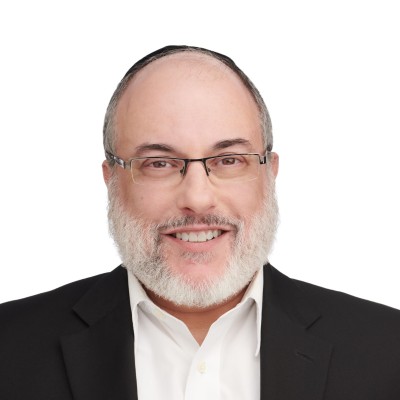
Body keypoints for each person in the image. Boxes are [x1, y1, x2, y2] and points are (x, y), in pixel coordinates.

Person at [0, 45, 399, 400]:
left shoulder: (387, 351)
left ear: (269, 173)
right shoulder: (10, 347)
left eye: (228, 160)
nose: (197, 198)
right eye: (159, 163)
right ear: (111, 180)